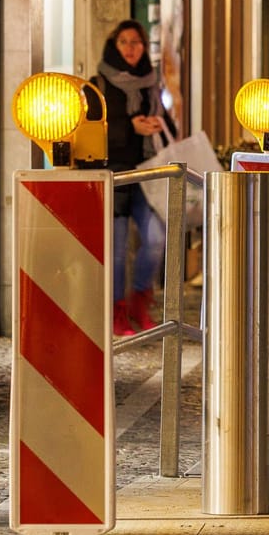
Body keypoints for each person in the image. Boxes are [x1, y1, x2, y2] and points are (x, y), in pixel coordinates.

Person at [95, 20, 177, 337]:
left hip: (147, 174)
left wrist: (157, 124)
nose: (131, 48)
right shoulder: (99, 83)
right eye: (124, 42)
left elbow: (168, 127)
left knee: (155, 239)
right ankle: (116, 313)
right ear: (114, 46)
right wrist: (131, 126)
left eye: (137, 42)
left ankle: (138, 305)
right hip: (114, 176)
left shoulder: (150, 83)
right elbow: (93, 132)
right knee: (116, 251)